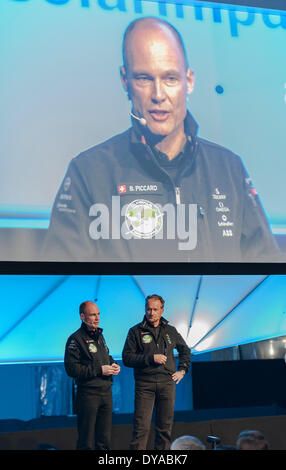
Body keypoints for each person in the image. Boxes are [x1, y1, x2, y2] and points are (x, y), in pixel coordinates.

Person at [43, 16, 279, 263]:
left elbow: (269, 272)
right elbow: (61, 273)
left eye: (170, 78)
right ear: (125, 80)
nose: (158, 94)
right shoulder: (88, 173)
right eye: (144, 78)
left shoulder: (229, 169)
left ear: (189, 81)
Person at [122, 294, 191, 450]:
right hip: (144, 384)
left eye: (155, 309)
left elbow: (185, 350)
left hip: (167, 383)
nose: (151, 313)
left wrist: (182, 369)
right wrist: (151, 358)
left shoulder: (171, 330)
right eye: (148, 309)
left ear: (162, 310)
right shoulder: (135, 331)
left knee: (164, 429)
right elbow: (127, 358)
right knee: (141, 428)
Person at [64, 300, 120, 450]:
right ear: (83, 317)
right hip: (88, 395)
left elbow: (106, 357)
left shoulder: (100, 336)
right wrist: (100, 370)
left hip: (106, 393)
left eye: (98, 314)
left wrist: (113, 364)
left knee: (104, 440)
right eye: (93, 315)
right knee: (86, 441)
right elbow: (72, 370)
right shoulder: (75, 339)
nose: (97, 318)